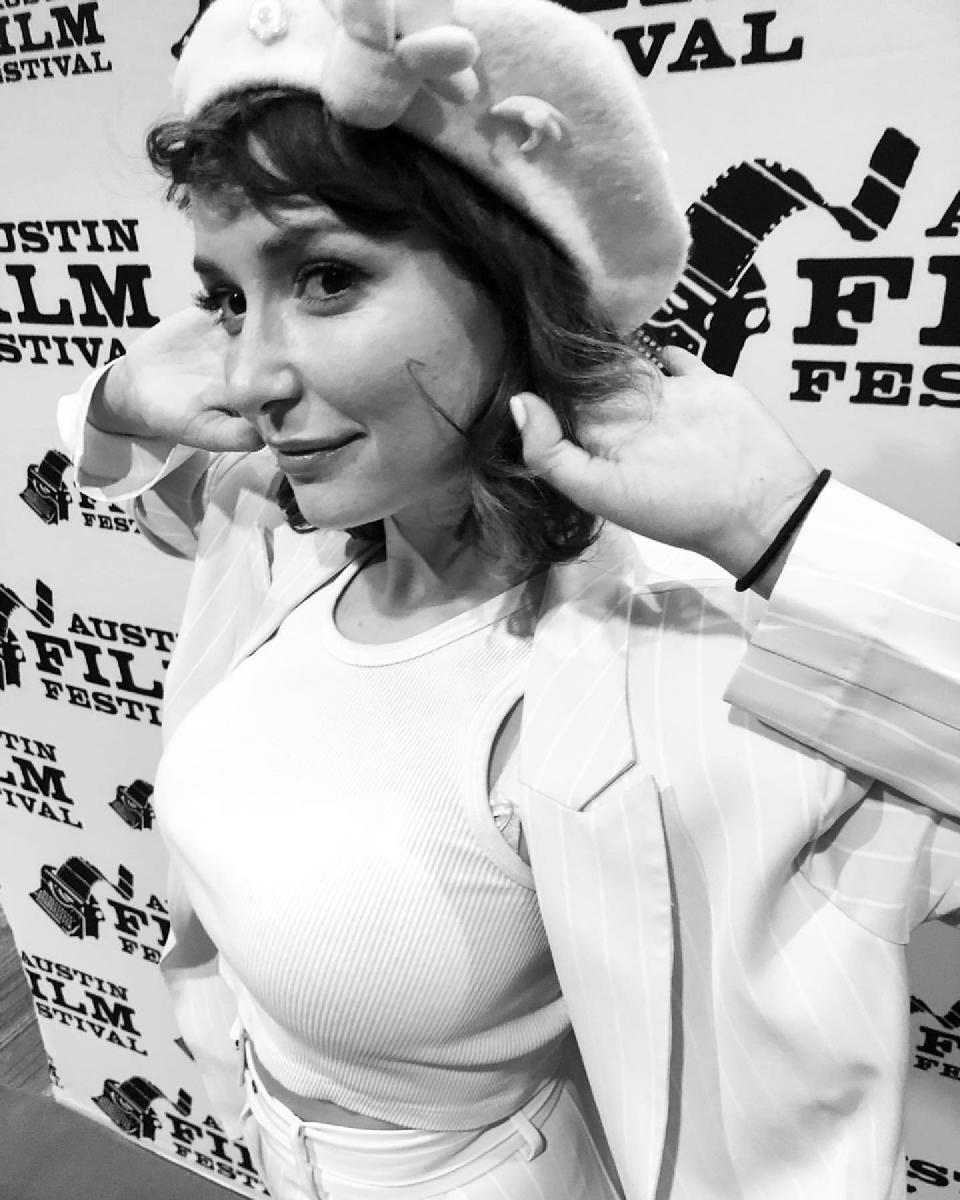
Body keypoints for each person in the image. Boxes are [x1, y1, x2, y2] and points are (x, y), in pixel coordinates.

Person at [57, 1, 960, 1197]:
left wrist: (779, 526)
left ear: (513, 278)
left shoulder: (671, 657)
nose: (249, 374)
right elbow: (139, 470)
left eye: (326, 277)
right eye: (229, 299)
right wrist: (118, 396)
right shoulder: (294, 534)